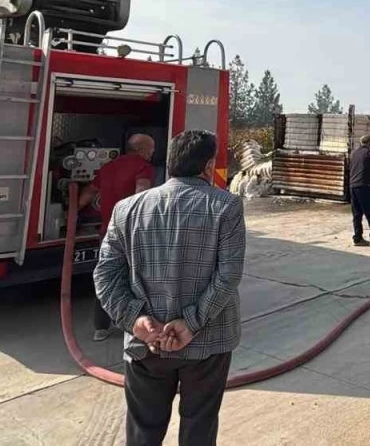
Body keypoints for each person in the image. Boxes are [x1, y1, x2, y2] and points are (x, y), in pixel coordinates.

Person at [94, 130, 246, 446]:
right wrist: (191, 323)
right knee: (199, 427)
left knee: (143, 431)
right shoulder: (226, 206)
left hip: (145, 345)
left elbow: (105, 275)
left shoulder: (127, 209)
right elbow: (228, 275)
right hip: (208, 344)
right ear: (208, 166)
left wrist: (136, 320)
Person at [78, 133, 157, 342]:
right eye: (151, 149)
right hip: (130, 233)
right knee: (134, 279)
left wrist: (72, 211)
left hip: (107, 232)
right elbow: (141, 192)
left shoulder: (108, 167)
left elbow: (89, 191)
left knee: (107, 277)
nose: (152, 153)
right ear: (142, 150)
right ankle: (133, 324)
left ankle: (100, 327)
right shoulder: (143, 167)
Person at [347, 135, 370, 247]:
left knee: (357, 214)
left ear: (360, 142)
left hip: (353, 186)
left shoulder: (354, 154)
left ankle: (358, 238)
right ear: (369, 143)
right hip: (366, 186)